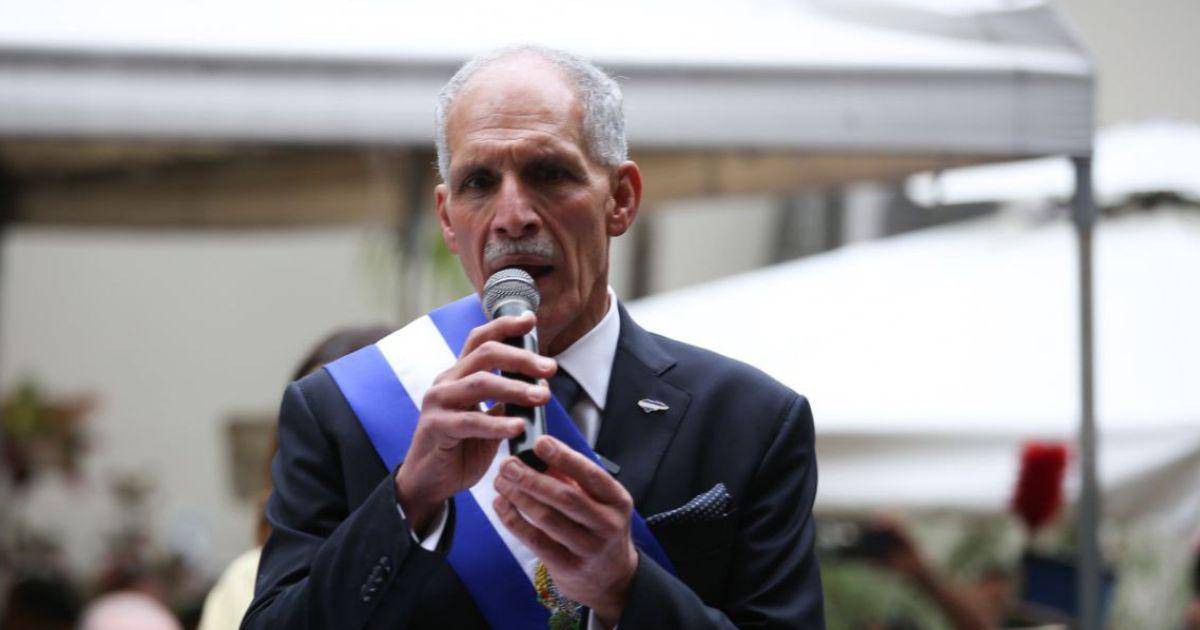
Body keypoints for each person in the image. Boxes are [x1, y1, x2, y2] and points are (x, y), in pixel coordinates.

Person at [243, 45, 823, 629]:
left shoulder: (750, 420)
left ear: (620, 198)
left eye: (549, 174)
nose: (513, 215)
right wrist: (409, 500)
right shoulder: (341, 411)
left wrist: (626, 587)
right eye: (479, 182)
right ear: (447, 218)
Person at [198, 325, 392, 630]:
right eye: (312, 424)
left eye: (348, 427)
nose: (328, 449)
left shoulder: (447, 556)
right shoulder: (245, 583)